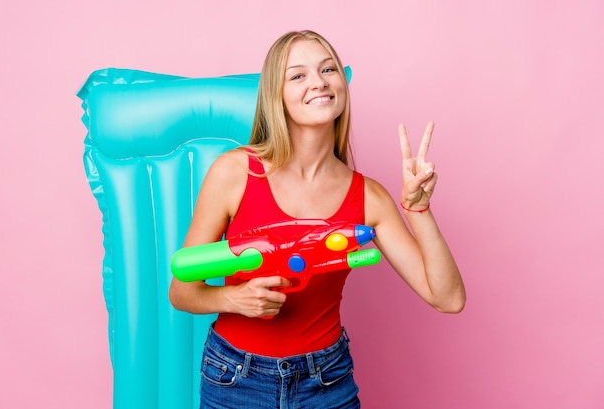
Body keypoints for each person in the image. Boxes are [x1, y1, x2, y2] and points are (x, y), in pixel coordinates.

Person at [169, 30, 466, 409]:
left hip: (326, 382)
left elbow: (448, 298)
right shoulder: (235, 173)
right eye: (298, 75)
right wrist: (234, 298)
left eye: (328, 69)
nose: (319, 82)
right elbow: (180, 292)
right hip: (235, 378)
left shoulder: (369, 197)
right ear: (276, 96)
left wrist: (419, 210)